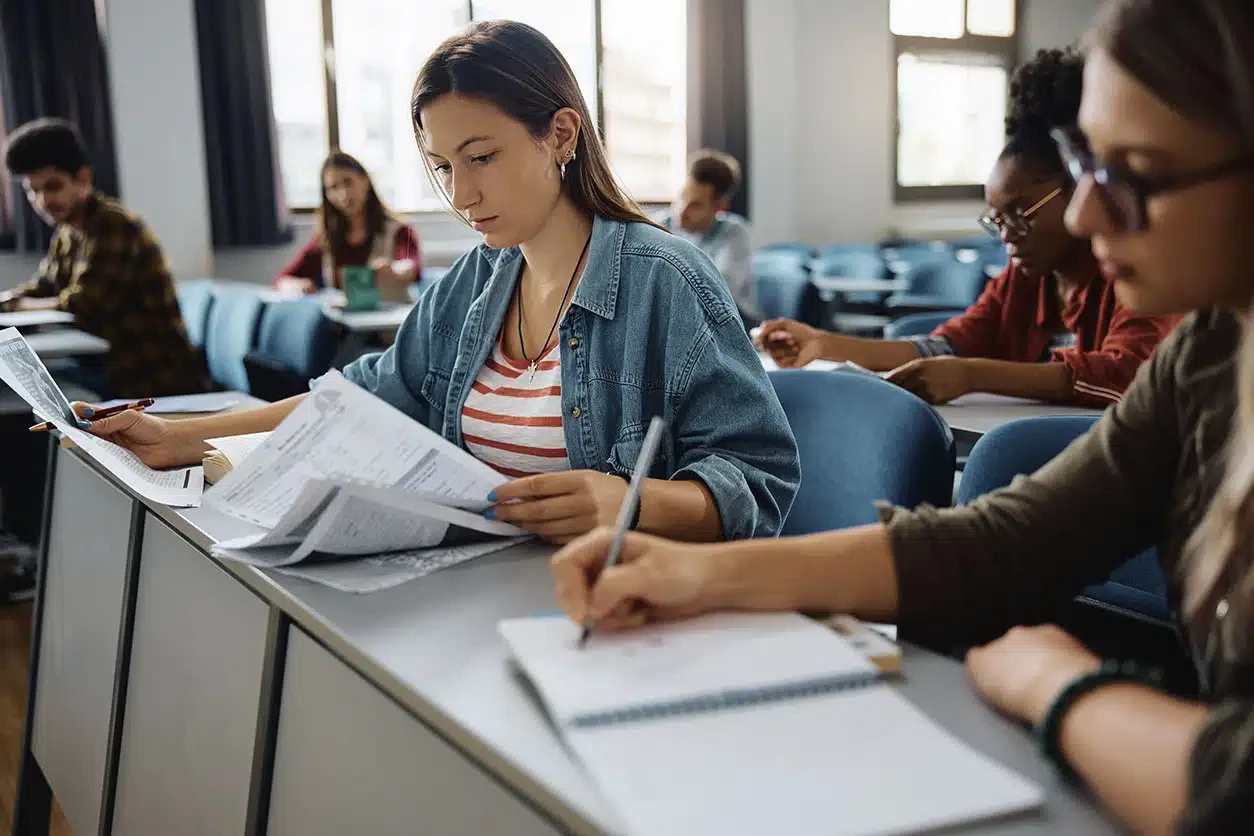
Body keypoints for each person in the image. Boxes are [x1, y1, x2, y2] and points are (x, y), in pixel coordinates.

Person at [551, 1, 1254, 831]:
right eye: (1089, 164)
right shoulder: (1213, 350)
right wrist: (695, 576)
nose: (1091, 214)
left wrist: (1057, 684)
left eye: (1136, 173)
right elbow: (1008, 541)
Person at [80, 20, 800, 545]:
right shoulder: (482, 278)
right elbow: (362, 392)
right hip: (481, 585)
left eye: (481, 156)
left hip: (614, 607)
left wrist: (629, 501)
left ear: (561, 135)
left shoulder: (664, 280)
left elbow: (759, 479)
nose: (461, 192)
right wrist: (181, 436)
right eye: (443, 165)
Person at [756, 49, 1179, 408]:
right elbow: (949, 346)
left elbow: (1129, 373)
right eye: (997, 219)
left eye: (1021, 213)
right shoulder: (1027, 277)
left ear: (1079, 189)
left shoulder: (1131, 271)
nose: (1007, 234)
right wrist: (825, 344)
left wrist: (973, 375)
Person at [0, 118, 207, 399]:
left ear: (83, 179)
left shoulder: (114, 225)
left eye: (53, 186)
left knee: (28, 396)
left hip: (149, 376)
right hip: (109, 367)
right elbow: (45, 286)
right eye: (33, 191)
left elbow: (84, 305)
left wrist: (19, 306)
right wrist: (9, 300)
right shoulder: (68, 231)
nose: (43, 201)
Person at [275, 151, 422, 303]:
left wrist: (394, 271)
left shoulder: (400, 230)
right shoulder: (326, 237)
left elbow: (413, 268)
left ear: (364, 180)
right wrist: (296, 286)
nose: (343, 194)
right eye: (333, 187)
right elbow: (283, 280)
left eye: (348, 182)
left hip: (392, 323)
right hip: (346, 324)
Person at [659, 150, 759, 329]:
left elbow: (716, 292)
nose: (681, 212)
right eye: (682, 197)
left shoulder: (735, 234)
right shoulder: (661, 225)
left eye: (695, 205)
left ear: (720, 206)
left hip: (728, 325)